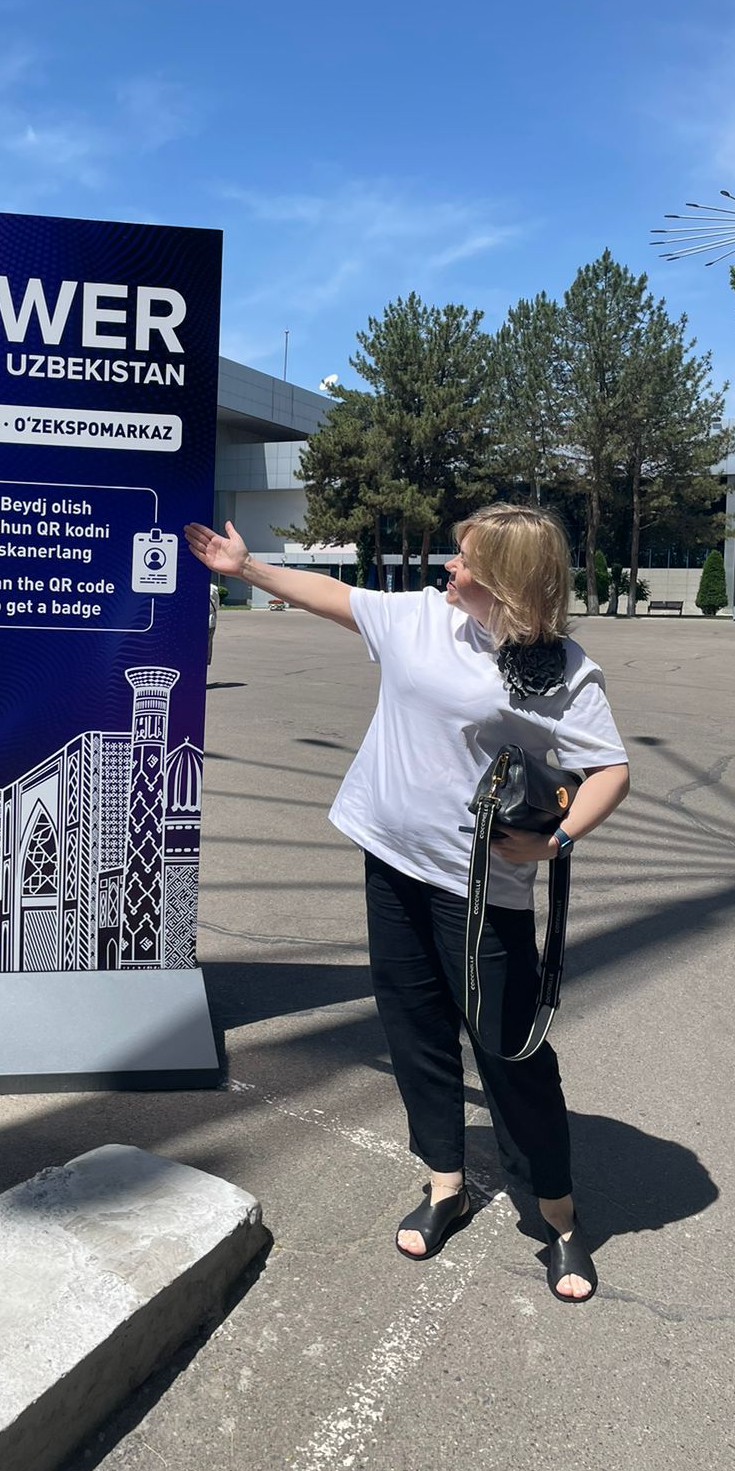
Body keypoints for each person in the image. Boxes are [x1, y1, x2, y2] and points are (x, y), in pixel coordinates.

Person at [185, 504, 629, 1304]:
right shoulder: (421, 618)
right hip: (392, 860)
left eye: (465, 562)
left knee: (508, 1052)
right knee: (414, 1027)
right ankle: (445, 1182)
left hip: (482, 891)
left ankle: (559, 1219)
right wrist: (245, 568)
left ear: (508, 583)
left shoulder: (560, 667)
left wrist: (557, 841)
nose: (447, 569)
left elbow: (609, 771)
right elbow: (334, 596)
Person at [208, 581, 220, 665]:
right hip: (211, 620)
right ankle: (207, 660)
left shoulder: (194, 586)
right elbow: (217, 605)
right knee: (208, 642)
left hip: (196, 621)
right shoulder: (213, 588)